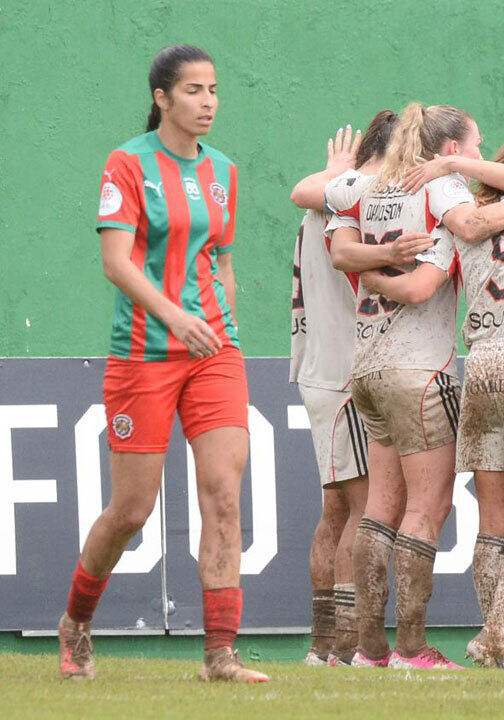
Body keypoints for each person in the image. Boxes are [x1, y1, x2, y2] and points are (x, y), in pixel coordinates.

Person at [327, 103, 504, 670]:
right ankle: (428, 644)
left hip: (379, 363)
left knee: (385, 509)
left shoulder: (363, 186)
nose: (479, 159)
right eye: (473, 146)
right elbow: (479, 234)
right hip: (441, 366)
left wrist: (375, 260)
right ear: (450, 151)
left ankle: (364, 647)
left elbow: (338, 233)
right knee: (433, 511)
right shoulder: (448, 195)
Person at [64, 44, 267, 683]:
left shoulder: (224, 171)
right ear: (161, 99)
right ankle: (75, 624)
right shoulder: (128, 163)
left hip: (214, 355)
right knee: (132, 510)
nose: (208, 102)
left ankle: (220, 657)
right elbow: (116, 262)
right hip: (144, 354)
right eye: (193, 91)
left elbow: (223, 264)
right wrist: (175, 317)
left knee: (224, 497)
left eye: (213, 90)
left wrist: (221, 326)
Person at [288, 113, 396, 666]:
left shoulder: (333, 196)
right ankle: (354, 644)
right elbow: (305, 191)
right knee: (364, 507)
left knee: (337, 509)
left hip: (323, 371)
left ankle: (323, 645)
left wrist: (331, 176)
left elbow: (306, 191)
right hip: (345, 373)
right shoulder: (361, 193)